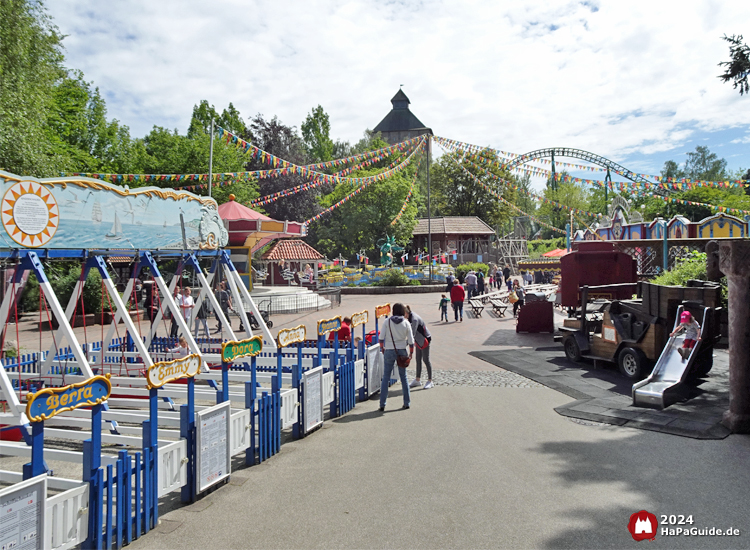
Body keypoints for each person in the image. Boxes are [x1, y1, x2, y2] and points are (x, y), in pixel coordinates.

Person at [378, 303, 414, 411]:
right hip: (402, 350)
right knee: (404, 377)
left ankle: (382, 404)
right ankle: (406, 402)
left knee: (386, 377)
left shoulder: (387, 321)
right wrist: (411, 353)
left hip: (389, 349)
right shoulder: (406, 323)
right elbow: (411, 341)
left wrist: (382, 348)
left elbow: (381, 338)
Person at [405, 305, 433, 390]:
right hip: (418, 340)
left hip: (424, 339)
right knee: (418, 359)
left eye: (403, 314)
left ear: (406, 313)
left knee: (426, 359)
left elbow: (412, 334)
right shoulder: (409, 318)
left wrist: (405, 344)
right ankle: (417, 379)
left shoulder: (414, 319)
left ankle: (430, 380)